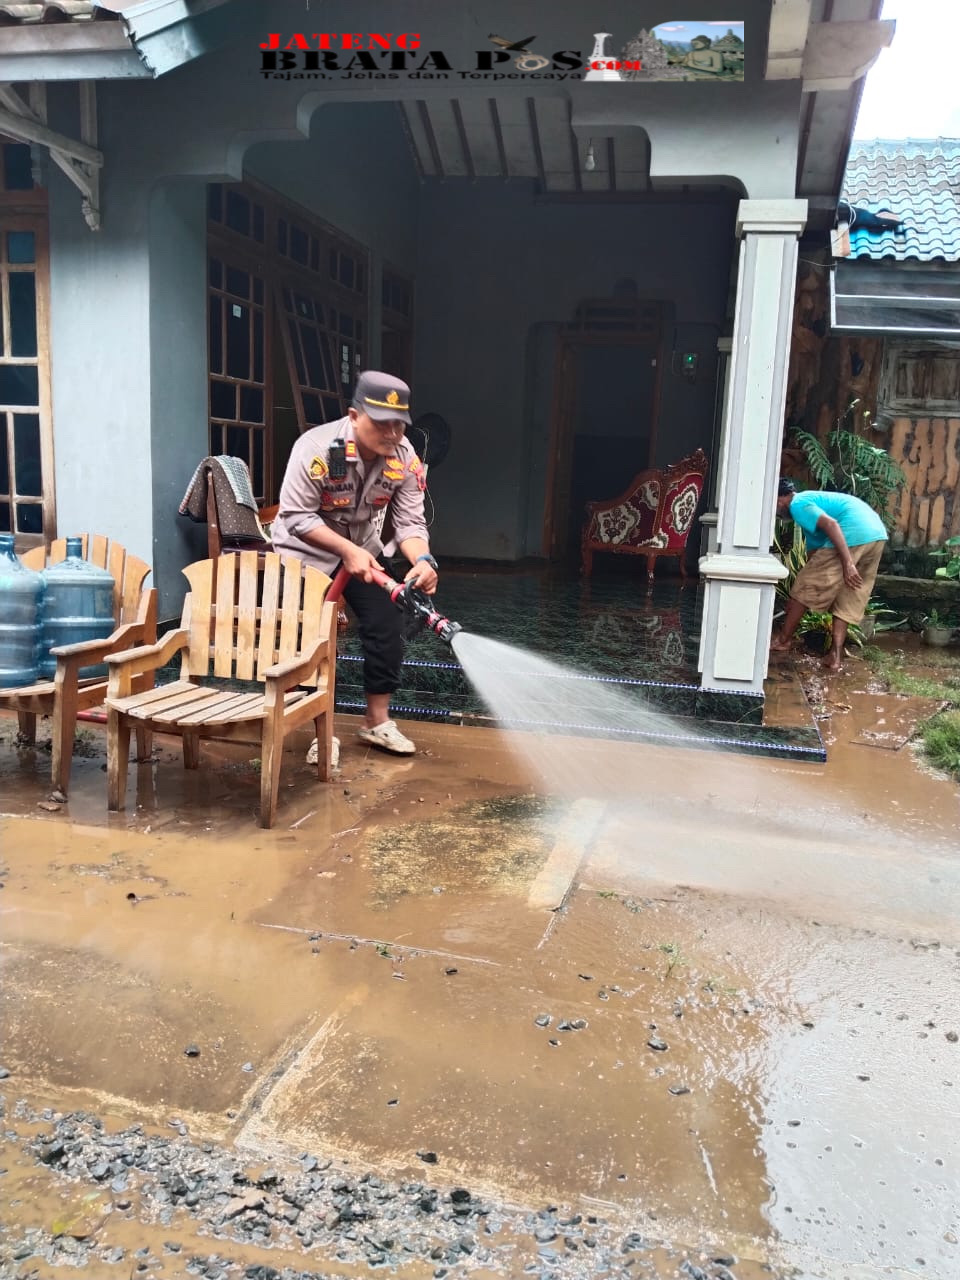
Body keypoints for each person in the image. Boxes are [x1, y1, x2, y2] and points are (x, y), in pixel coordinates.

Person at [271, 371, 437, 757]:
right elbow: (296, 516)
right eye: (383, 423)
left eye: (400, 424)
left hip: (363, 548)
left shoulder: (405, 455)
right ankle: (318, 730)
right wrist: (345, 551)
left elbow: (410, 521)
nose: (393, 434)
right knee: (309, 636)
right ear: (354, 415)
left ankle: (376, 722)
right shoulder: (315, 449)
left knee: (387, 621)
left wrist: (423, 560)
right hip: (305, 551)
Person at [770, 479, 888, 672]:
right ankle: (835, 656)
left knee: (804, 588)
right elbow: (814, 557)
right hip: (876, 536)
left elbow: (832, 525)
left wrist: (848, 563)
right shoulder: (810, 510)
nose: (776, 512)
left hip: (853, 533)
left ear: (780, 498)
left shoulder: (798, 503)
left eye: (774, 505)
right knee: (847, 596)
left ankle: (783, 641)